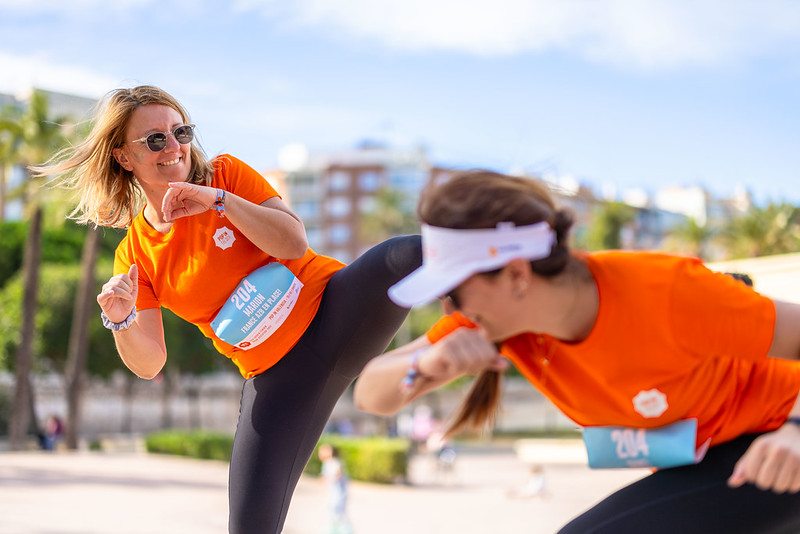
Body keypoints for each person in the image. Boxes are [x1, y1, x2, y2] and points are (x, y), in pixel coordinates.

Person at [34, 85, 421, 534]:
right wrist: (120, 320)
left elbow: (294, 242)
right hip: (278, 379)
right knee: (249, 527)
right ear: (124, 157)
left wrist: (219, 202)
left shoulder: (225, 174)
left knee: (404, 255)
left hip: (335, 313)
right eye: (155, 140)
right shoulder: (135, 255)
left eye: (181, 131)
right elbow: (150, 362)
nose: (175, 146)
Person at [352, 169, 800, 533]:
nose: (446, 307)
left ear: (516, 274)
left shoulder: (665, 292)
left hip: (777, 440)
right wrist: (422, 365)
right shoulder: (501, 325)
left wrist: (795, 431)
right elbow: (370, 395)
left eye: (452, 290)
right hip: (709, 457)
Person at [317, 443, 353, 534]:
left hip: (337, 496)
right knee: (335, 516)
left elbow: (337, 471)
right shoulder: (328, 463)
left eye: (322, 451)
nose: (319, 454)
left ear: (329, 452)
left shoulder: (333, 462)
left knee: (338, 516)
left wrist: (331, 477)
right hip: (334, 495)